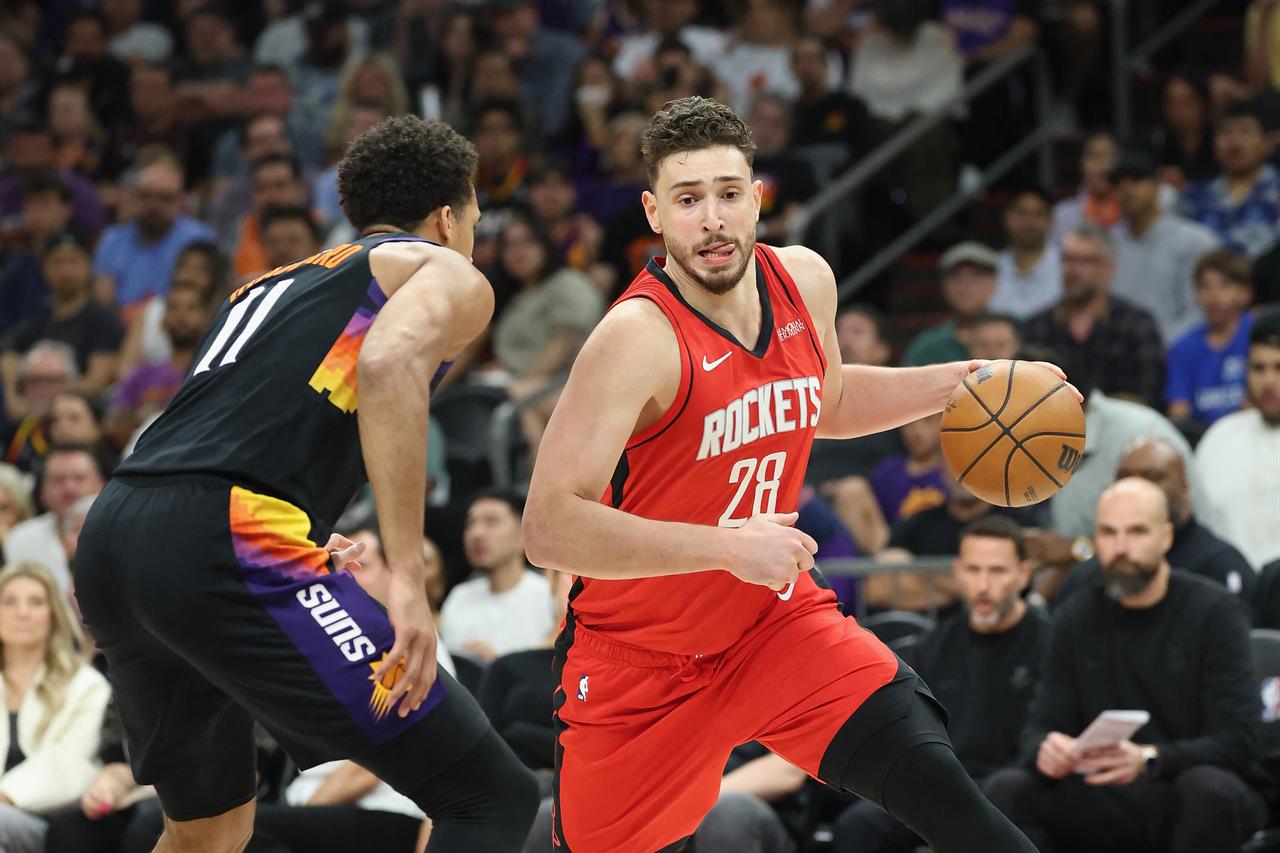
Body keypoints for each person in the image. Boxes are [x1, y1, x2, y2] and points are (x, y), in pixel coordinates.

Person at [524, 96, 1041, 853]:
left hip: (773, 625)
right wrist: (726, 548)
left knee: (945, 793)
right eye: (688, 199)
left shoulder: (804, 280)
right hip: (642, 664)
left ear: (757, 197)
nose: (712, 219)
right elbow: (547, 527)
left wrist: (962, 379)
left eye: (729, 194)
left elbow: (822, 397)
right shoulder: (635, 339)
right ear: (654, 213)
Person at [73, 115, 539, 852]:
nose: (474, 235)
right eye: (476, 216)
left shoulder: (272, 284)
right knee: (490, 794)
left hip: (118, 528)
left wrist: (305, 525)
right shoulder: (444, 268)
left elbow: (238, 425)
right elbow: (388, 366)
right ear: (448, 217)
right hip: (221, 534)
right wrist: (410, 581)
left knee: (209, 830)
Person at [983, 478, 1268, 853]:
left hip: (1178, 783)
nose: (1121, 548)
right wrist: (1046, 749)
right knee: (1007, 790)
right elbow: (1041, 724)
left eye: (1136, 532)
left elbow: (1237, 740)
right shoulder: (1075, 615)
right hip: (1100, 788)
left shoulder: (1214, 613)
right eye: (1108, 532)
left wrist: (1150, 759)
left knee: (1208, 789)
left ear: (1166, 537)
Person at [833, 517, 1048, 853]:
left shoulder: (1049, 643)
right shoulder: (934, 644)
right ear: (958, 572)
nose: (983, 585)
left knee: (1006, 795)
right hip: (943, 784)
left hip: (1014, 785)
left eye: (997, 571)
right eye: (974, 570)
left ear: (1023, 574)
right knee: (859, 824)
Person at [1053, 436, 1257, 607]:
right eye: (1125, 477)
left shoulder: (1218, 567)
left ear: (1185, 487)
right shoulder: (1088, 578)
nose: (1136, 486)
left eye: (1151, 477)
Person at [0, 561, 111, 853]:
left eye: (35, 602)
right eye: (9, 602)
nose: (22, 613)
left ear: (52, 614)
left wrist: (6, 794)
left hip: (44, 820)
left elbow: (69, 762)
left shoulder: (85, 684)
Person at [1021, 222, 1166, 408]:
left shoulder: (1136, 325)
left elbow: (1148, 396)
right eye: (1068, 259)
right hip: (1050, 428)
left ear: (1108, 269)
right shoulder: (1037, 327)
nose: (1073, 270)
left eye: (1085, 261)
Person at [1109, 145, 1220, 345]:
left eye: (1136, 179)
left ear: (1157, 184)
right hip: (1119, 359)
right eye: (1118, 182)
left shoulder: (1195, 240)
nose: (1126, 189)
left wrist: (1154, 346)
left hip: (1180, 354)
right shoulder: (1107, 244)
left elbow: (1202, 312)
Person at [1195, 310, 1280, 570]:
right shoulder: (1219, 439)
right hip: (1231, 590)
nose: (1268, 381)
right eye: (1258, 368)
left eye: (1279, 368)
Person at [1, 234, 124, 402]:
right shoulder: (37, 318)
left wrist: (47, 390)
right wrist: (14, 399)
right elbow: (9, 354)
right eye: (57, 262)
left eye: (73, 261)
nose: (65, 270)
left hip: (78, 412)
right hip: (32, 412)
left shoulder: (104, 321)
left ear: (89, 266)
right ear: (44, 269)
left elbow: (96, 381)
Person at [440, 490, 556, 663]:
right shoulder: (458, 597)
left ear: (523, 535)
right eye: (470, 523)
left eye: (491, 522)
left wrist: (498, 666)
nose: (477, 533)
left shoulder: (548, 595)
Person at [91, 158, 216, 315]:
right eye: (146, 196)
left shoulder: (199, 239)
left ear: (180, 200)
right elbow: (102, 300)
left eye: (165, 197)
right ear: (135, 197)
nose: (154, 205)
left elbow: (208, 298)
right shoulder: (112, 240)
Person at [1166, 248, 1255, 427]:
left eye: (1224, 285)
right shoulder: (1183, 347)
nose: (1213, 296)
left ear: (1246, 293)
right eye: (1204, 286)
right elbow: (1179, 412)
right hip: (1201, 442)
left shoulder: (1260, 335)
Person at [1181, 100, 1280, 260]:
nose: (1234, 142)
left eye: (1245, 132)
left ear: (1266, 143)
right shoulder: (1192, 197)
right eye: (1225, 132)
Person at [1, 445, 104, 593]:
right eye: (58, 480)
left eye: (79, 478)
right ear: (42, 490)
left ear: (102, 484)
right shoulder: (21, 539)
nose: (69, 488)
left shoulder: (121, 534)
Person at [902, 242, 998, 366]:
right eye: (956, 277)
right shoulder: (927, 346)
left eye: (976, 277)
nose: (966, 286)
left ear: (994, 283)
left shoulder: (1016, 336)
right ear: (943, 285)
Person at [992, 187, 1062, 320]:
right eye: (1021, 213)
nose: (1029, 222)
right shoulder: (991, 267)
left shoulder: (1067, 266)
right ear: (1006, 218)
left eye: (1038, 214)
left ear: (1050, 220)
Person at [1049, 131, 1120, 246]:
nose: (1104, 166)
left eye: (1111, 157)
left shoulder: (1133, 213)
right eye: (1095, 156)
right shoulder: (1061, 215)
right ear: (1082, 163)